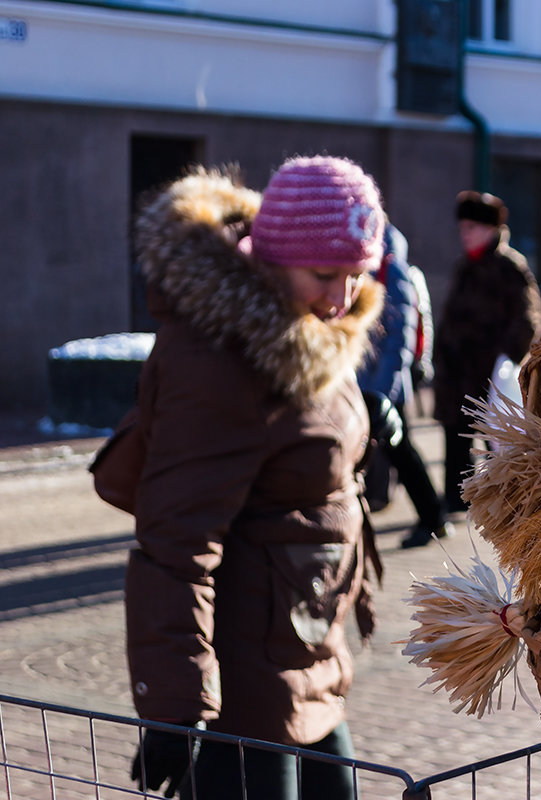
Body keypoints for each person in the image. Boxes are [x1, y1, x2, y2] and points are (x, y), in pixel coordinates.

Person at [124, 155, 387, 800]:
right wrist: (176, 707)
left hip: (308, 647)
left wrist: (367, 422)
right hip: (241, 686)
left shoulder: (314, 327)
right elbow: (176, 542)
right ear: (268, 258)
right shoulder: (220, 360)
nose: (341, 297)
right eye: (324, 274)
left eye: (356, 275)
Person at [432, 191, 541, 516]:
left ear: (491, 228)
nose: (465, 234)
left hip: (489, 378)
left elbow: (528, 321)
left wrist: (504, 362)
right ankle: (455, 504)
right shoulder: (465, 266)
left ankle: (511, 509)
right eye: (462, 227)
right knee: (455, 441)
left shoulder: (510, 267)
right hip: (456, 375)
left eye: (472, 227)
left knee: (501, 449)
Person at [357, 221, 454, 548]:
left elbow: (401, 337)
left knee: (403, 453)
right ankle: (433, 518)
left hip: (384, 390)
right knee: (400, 454)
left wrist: (381, 393)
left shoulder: (391, 268)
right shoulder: (368, 264)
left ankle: (434, 519)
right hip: (368, 386)